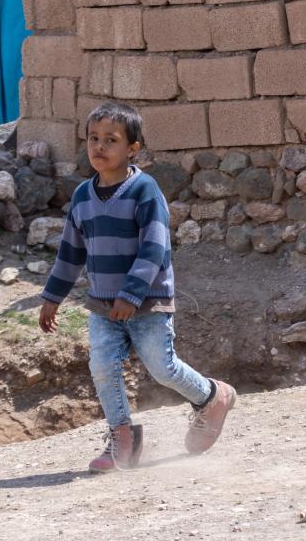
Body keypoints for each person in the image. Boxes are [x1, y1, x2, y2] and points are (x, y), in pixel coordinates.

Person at [38, 102, 237, 472]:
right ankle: (123, 438)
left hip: (147, 302)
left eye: (110, 140)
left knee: (162, 368)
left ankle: (212, 396)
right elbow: (70, 252)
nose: (99, 146)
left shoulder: (144, 190)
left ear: (132, 148)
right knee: (102, 366)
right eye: (93, 138)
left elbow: (154, 248)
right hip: (103, 306)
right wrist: (52, 297)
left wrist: (132, 293)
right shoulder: (82, 196)